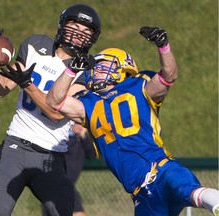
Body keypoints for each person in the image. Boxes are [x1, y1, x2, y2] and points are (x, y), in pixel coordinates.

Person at [45, 26, 219, 216]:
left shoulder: (139, 86)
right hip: (140, 194)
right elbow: (54, 101)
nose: (97, 70)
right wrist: (71, 71)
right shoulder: (88, 103)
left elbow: (169, 75)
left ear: (122, 70)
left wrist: (163, 47)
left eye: (104, 66)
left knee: (194, 194)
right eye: (96, 66)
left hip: (161, 170)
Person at [0, 4, 101, 216]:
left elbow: (56, 114)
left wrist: (28, 85)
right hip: (15, 148)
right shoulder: (35, 45)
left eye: (86, 32)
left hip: (51, 157)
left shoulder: (84, 70)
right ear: (63, 25)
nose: (78, 35)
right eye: (74, 26)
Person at [42, 123, 95, 216]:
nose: (79, 125)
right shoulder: (61, 138)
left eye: (81, 123)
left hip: (66, 183)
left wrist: (84, 136)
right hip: (57, 181)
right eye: (76, 123)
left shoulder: (81, 139)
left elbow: (91, 153)